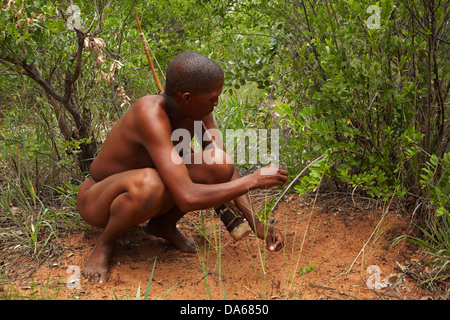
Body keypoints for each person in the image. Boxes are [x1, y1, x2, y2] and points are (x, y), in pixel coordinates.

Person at [76, 51, 288, 283]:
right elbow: (187, 196)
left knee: (218, 163)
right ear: (187, 98)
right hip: (97, 200)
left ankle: (162, 225)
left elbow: (226, 169)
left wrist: (256, 224)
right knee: (151, 183)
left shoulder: (199, 112)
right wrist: (254, 180)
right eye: (212, 98)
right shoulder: (150, 114)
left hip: (149, 187)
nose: (216, 103)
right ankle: (106, 242)